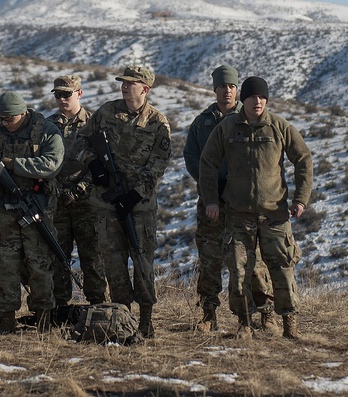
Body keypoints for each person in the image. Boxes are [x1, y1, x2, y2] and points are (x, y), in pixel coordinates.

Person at [199, 76, 313, 340]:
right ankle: (244, 323)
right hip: (238, 215)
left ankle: (289, 324)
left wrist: (301, 199)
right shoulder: (228, 127)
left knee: (282, 269)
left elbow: (303, 159)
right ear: (244, 99)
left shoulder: (279, 127)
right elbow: (208, 162)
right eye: (252, 97)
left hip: (275, 214)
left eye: (262, 97)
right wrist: (212, 199)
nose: (257, 101)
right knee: (240, 272)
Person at [77, 65, 171, 338]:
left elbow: (158, 165)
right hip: (106, 203)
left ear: (145, 88)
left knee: (142, 261)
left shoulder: (157, 122)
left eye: (131, 82)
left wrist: (134, 195)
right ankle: (121, 316)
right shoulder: (106, 112)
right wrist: (93, 163)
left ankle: (146, 319)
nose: (125, 86)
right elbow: (81, 141)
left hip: (139, 207)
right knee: (113, 261)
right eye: (123, 82)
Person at [183, 65, 274, 333]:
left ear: (238, 90)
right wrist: (209, 184)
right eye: (222, 86)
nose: (227, 91)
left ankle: (265, 312)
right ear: (215, 89)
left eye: (232, 87)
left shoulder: (247, 118)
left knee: (251, 261)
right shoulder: (202, 123)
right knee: (210, 259)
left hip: (242, 202)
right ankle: (208, 314)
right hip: (211, 201)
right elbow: (192, 157)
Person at [0, 91, 64, 333]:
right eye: (0, 119)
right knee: (4, 266)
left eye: (8, 119)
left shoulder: (46, 130)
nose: (4, 123)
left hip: (36, 210)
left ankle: (43, 318)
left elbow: (51, 164)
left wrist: (14, 165)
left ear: (22, 113)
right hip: (4, 211)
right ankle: (7, 320)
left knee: (39, 264)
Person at [47, 75, 107, 309]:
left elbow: (103, 164)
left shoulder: (94, 124)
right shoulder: (48, 125)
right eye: (58, 94)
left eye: (66, 94)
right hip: (57, 200)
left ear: (79, 93)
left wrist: (80, 189)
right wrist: (55, 188)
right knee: (58, 255)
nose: (62, 99)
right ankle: (59, 308)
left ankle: (98, 307)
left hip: (88, 202)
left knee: (92, 256)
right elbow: (42, 161)